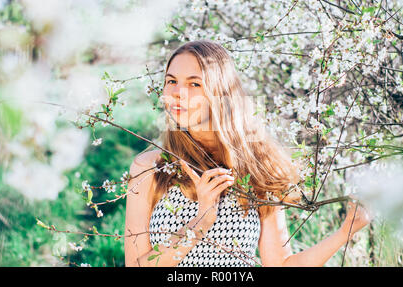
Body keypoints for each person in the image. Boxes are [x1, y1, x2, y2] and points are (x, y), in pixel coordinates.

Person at [124, 39, 370, 267]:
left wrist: (345, 231)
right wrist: (200, 222)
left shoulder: (257, 166)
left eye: (194, 83)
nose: (177, 92)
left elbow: (280, 263)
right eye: (171, 81)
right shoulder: (151, 168)